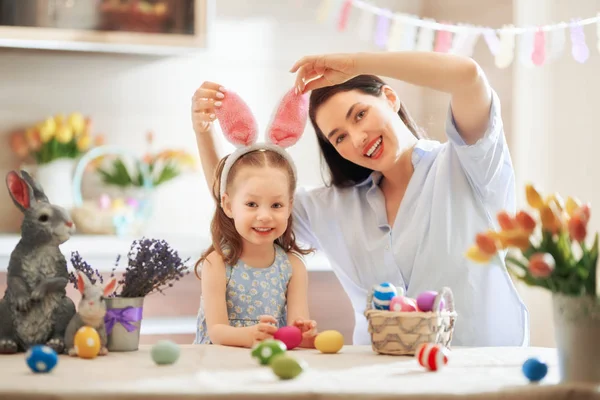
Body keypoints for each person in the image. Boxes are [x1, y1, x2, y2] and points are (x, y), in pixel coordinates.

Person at [191, 51, 529, 348]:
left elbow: (468, 76)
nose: (357, 138)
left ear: (390, 97)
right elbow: (239, 200)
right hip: (377, 379)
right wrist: (203, 132)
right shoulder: (335, 206)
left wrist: (357, 64)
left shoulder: (468, 164)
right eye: (339, 137)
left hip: (482, 373)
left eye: (359, 115)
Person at [193, 88, 318, 348]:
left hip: (268, 366)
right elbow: (217, 331)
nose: (264, 215)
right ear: (228, 204)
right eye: (251, 204)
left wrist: (304, 334)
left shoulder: (293, 267)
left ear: (290, 205)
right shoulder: (217, 263)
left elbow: (296, 328)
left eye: (276, 204)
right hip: (218, 369)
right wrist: (250, 336)